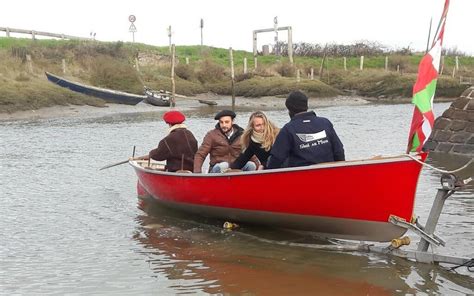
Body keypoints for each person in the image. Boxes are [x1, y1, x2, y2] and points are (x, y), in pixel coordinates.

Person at [266, 90, 345, 169]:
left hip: (301, 175)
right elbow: (339, 151)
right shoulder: (325, 123)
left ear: (289, 109)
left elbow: (276, 159)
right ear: (306, 106)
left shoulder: (288, 129)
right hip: (328, 172)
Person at [194, 110, 258, 173]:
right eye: (221, 122)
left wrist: (260, 169)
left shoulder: (242, 135)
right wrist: (197, 172)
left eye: (227, 122)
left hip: (236, 168)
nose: (224, 125)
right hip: (217, 170)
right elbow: (200, 154)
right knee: (224, 165)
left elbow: (251, 154)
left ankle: (249, 181)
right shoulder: (211, 135)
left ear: (232, 121)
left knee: (251, 165)